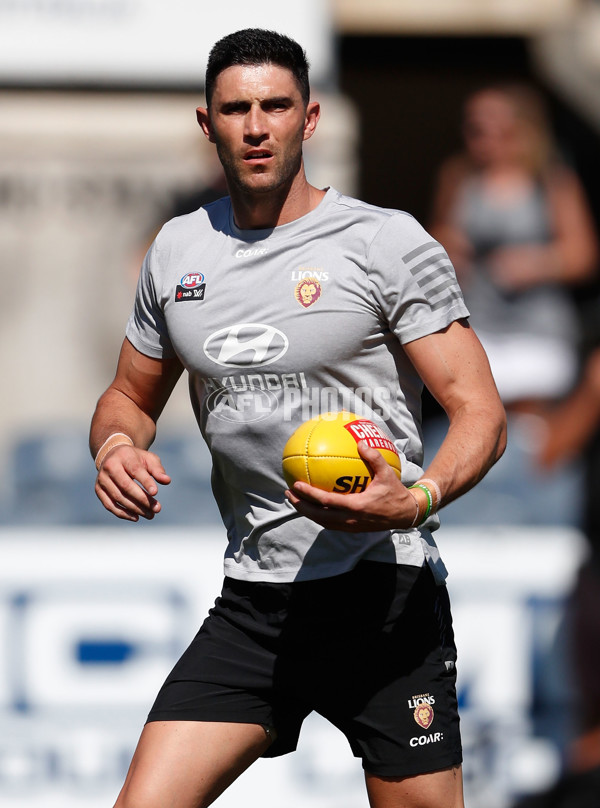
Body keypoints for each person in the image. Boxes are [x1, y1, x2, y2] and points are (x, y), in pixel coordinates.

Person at [89, 28, 506, 808]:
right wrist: (115, 442)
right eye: (236, 109)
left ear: (309, 118)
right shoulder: (177, 250)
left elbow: (481, 413)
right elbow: (127, 397)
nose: (256, 126)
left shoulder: (385, 241)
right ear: (206, 123)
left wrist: (413, 500)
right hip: (257, 602)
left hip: (384, 589)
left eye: (275, 106)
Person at [430, 83, 598, 412]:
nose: (481, 137)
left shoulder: (552, 180)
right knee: (475, 415)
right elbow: (436, 236)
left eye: (492, 126)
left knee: (527, 432)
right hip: (476, 326)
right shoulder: (459, 177)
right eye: (474, 127)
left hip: (536, 331)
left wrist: (537, 263)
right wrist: (450, 248)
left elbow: (583, 255)